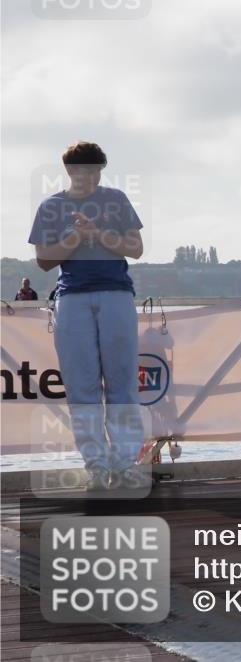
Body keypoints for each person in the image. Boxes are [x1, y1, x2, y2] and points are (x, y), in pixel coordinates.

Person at [28, 141, 147, 492]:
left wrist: (99, 233)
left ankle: (125, 465)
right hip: (73, 298)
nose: (90, 176)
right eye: (84, 170)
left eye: (96, 169)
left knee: (122, 382)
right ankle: (96, 466)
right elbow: (45, 259)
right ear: (69, 171)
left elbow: (136, 248)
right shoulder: (52, 206)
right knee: (82, 387)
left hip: (116, 294)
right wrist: (76, 236)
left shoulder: (117, 200)